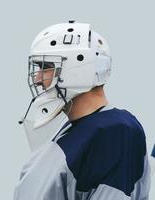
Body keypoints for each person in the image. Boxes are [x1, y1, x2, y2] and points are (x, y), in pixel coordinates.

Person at [14, 21, 151, 200]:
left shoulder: (113, 132)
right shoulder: (71, 132)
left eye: (46, 67)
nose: (38, 79)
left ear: (78, 67)